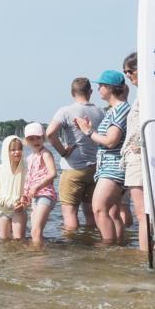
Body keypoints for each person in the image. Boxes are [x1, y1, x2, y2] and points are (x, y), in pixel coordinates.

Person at [74, 70, 131, 245]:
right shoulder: (115, 110)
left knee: (99, 209)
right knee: (113, 212)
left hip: (113, 168)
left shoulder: (120, 109)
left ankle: (107, 248)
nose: (98, 88)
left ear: (109, 88)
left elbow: (111, 141)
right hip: (111, 167)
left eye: (101, 85)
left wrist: (88, 132)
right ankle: (118, 246)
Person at [45, 78, 105, 232]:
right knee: (91, 213)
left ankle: (73, 248)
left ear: (72, 93)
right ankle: (91, 241)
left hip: (73, 170)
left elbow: (50, 133)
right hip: (94, 169)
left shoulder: (65, 111)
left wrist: (63, 152)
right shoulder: (100, 111)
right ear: (90, 92)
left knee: (70, 214)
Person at [121, 53, 155, 253]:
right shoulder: (150, 92)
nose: (128, 75)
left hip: (140, 158)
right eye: (125, 71)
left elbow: (153, 122)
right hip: (144, 156)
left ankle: (147, 260)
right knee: (151, 214)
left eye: (131, 70)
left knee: (143, 215)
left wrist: (138, 143)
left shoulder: (147, 94)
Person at [22, 122, 57, 246]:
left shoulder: (45, 153)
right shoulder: (30, 157)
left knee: (35, 231)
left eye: (38, 137)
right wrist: (25, 194)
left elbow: (53, 173)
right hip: (35, 196)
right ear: (26, 141)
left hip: (45, 194)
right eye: (31, 139)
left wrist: (37, 186)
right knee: (35, 232)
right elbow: (29, 178)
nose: (35, 141)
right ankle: (40, 256)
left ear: (44, 138)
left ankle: (36, 259)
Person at [0, 135, 27, 241]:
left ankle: (19, 257)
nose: (17, 152)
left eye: (19, 149)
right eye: (13, 150)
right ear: (6, 152)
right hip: (2, 210)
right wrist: (6, 202)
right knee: (4, 240)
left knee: (19, 239)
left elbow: (30, 189)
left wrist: (24, 202)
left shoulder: (26, 169)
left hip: (19, 210)